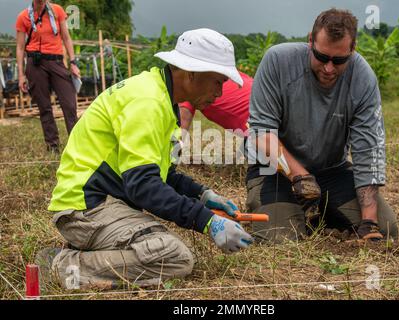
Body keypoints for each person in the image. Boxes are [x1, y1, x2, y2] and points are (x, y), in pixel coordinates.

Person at [36, 28, 254, 290]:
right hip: (87, 208)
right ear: (191, 72)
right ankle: (64, 265)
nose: (220, 92)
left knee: (165, 252)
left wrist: (202, 194)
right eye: (217, 81)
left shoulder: (160, 96)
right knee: (173, 256)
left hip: (102, 202)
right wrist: (207, 221)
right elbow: (143, 186)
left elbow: (160, 173)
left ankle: (93, 253)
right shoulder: (148, 102)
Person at [246, 9, 398, 243]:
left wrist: (369, 222)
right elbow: (261, 133)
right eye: (322, 57)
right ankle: (294, 212)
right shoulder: (277, 60)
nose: (329, 68)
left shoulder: (363, 78)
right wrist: (300, 177)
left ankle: (316, 214)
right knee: (281, 240)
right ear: (310, 41)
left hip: (331, 171)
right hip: (275, 171)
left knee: (386, 228)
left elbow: (368, 150)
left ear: (353, 49)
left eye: (339, 61)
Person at [16, 0, 80, 153]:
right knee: (44, 107)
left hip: (56, 61)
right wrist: (21, 75)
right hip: (35, 64)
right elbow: (19, 48)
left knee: (69, 104)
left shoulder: (57, 10)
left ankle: (77, 143)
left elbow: (66, 38)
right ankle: (53, 146)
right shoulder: (23, 16)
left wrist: (73, 62)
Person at [179, 71, 253, 136]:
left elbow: (180, 131)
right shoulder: (223, 70)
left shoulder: (192, 85)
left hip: (256, 116)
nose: (219, 93)